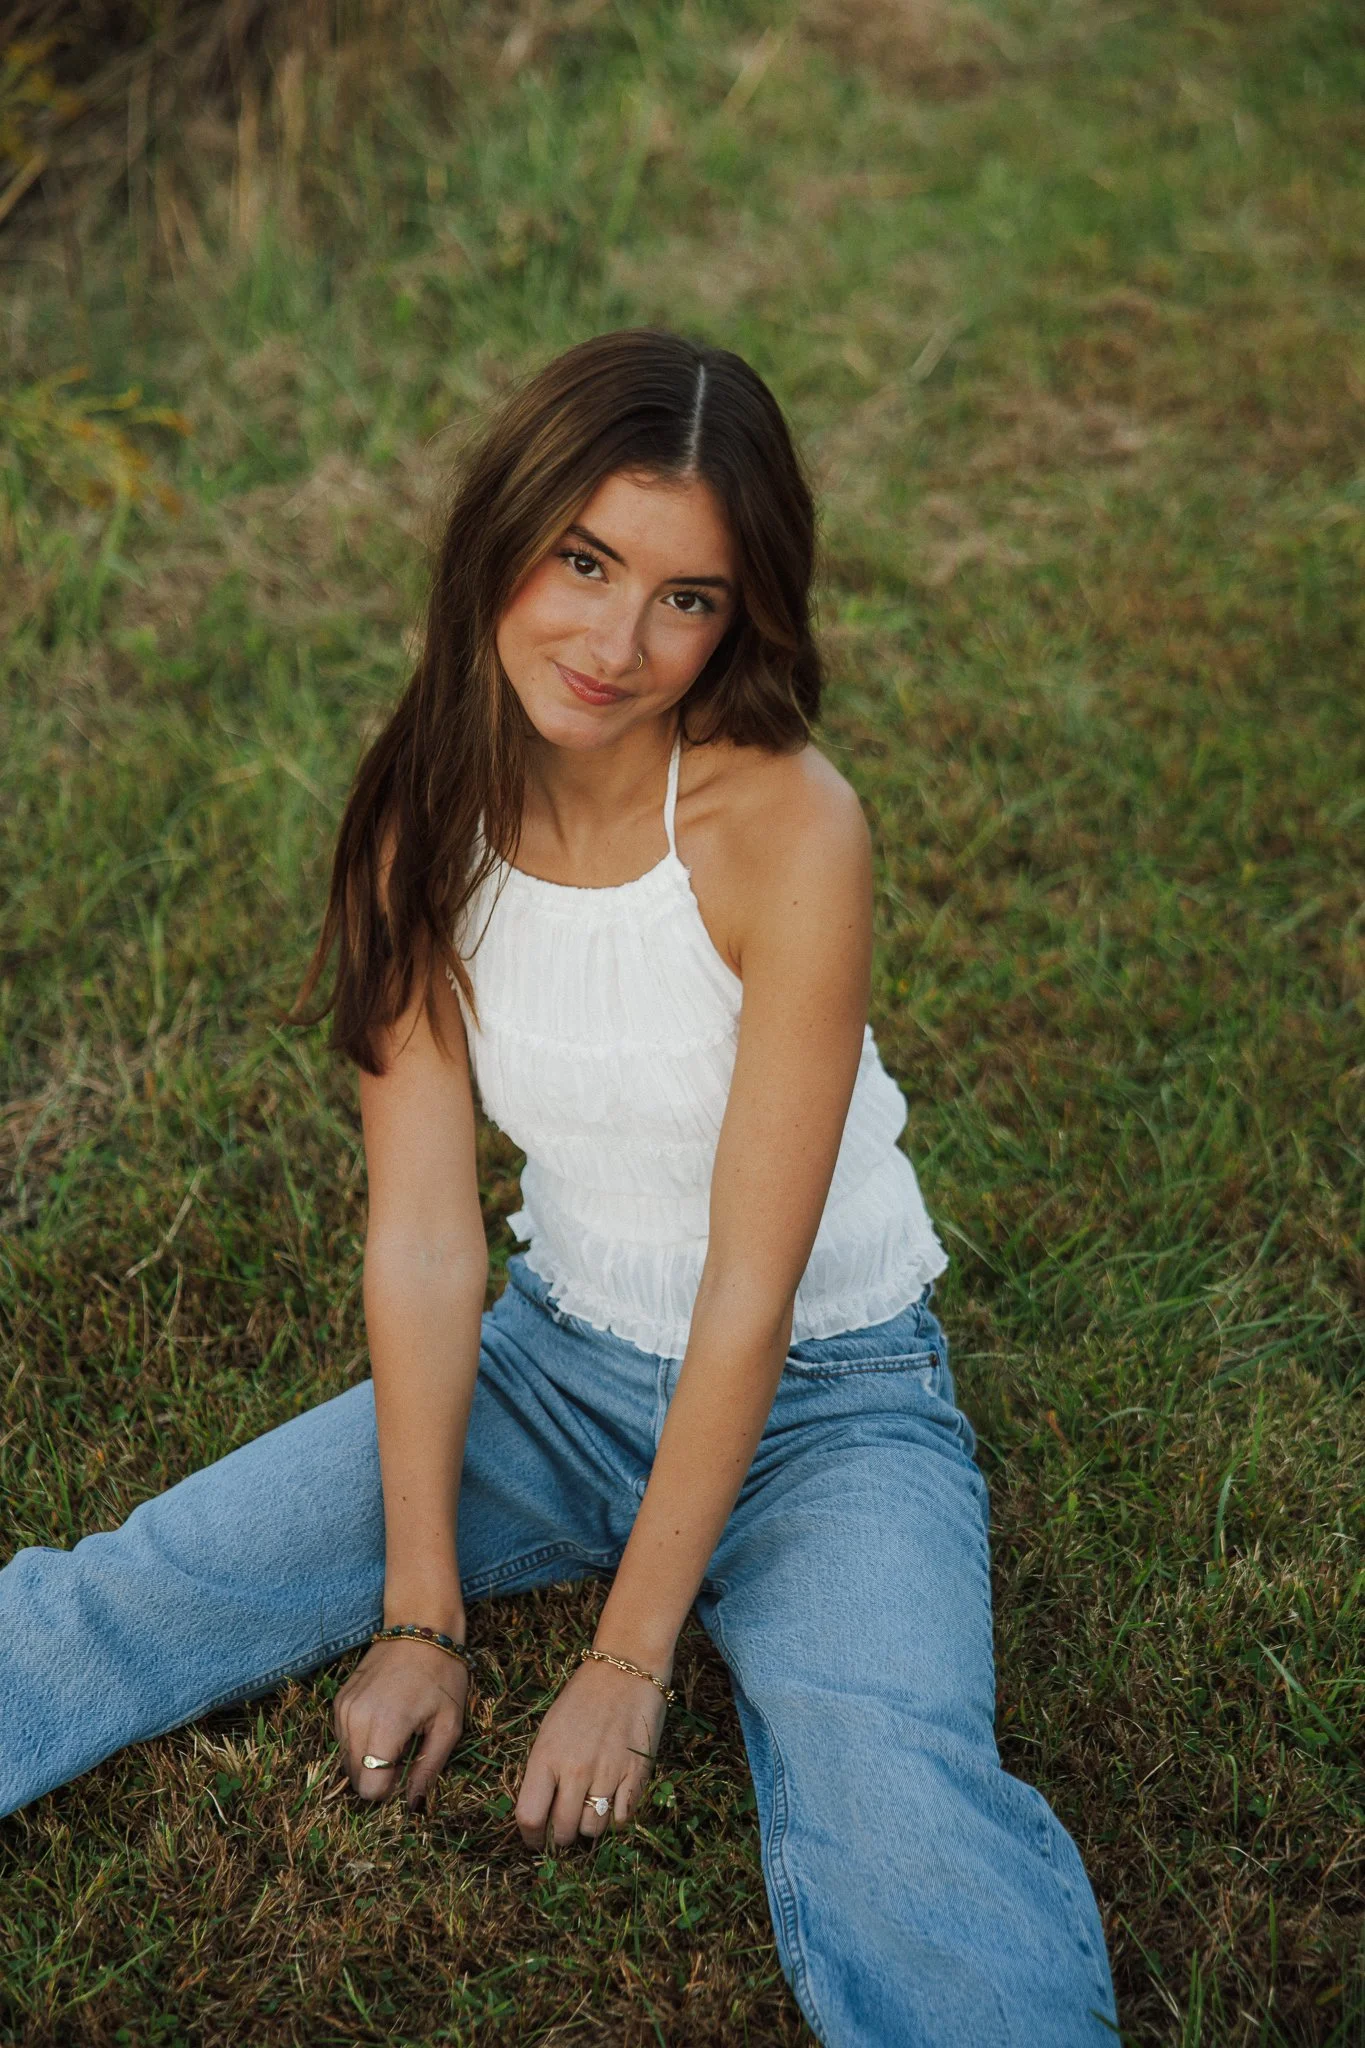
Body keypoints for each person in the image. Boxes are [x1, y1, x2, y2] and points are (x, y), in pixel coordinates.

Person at [0, 330, 1117, 2044]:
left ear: (743, 619)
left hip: (835, 1410)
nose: (617, 644)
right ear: (502, 536)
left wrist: (625, 1660)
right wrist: (420, 1610)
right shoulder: (419, 824)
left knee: (898, 1809)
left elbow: (752, 1290)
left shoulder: (787, 831)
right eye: (584, 562)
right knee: (147, 1582)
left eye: (688, 598)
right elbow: (430, 1238)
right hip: (555, 1366)